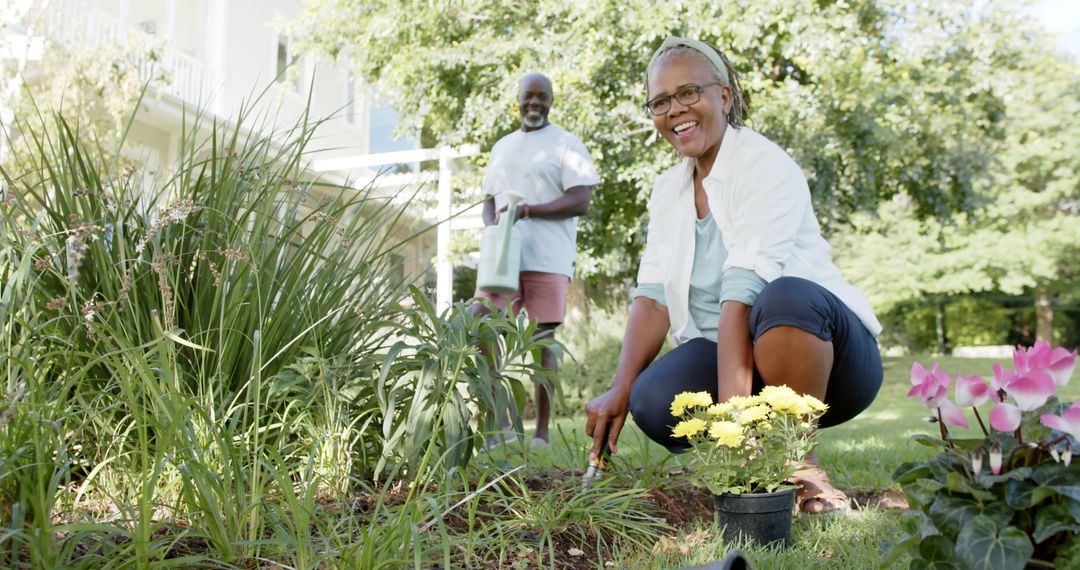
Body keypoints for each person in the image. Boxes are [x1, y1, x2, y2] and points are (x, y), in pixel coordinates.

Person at [584, 37, 884, 513]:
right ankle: (754, 458)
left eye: (688, 92)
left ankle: (796, 463)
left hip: (831, 359)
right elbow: (654, 297)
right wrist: (620, 387)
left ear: (724, 97)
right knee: (652, 396)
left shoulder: (764, 166)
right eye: (660, 101)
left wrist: (737, 425)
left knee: (786, 298)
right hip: (739, 362)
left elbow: (740, 296)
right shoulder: (668, 190)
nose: (675, 109)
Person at [474, 72, 601, 447]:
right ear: (517, 99)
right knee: (482, 324)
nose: (535, 103)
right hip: (503, 258)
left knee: (543, 340)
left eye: (542, 97)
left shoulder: (566, 143)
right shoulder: (502, 146)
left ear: (550, 100)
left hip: (548, 256)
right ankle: (500, 425)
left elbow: (580, 200)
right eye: (529, 96)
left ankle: (542, 433)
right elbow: (489, 202)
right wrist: (493, 229)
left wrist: (530, 211)